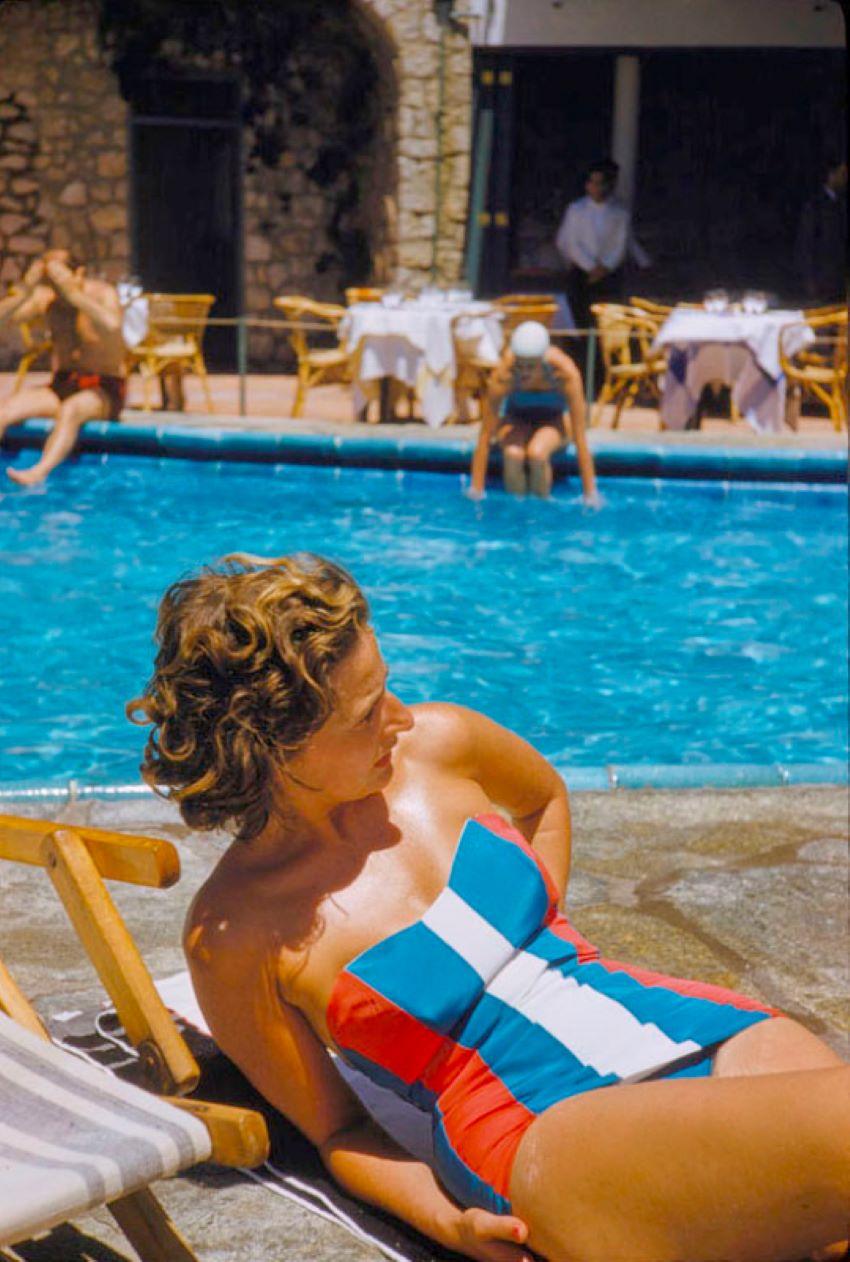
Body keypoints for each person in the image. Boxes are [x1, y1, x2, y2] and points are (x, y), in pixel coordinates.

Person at [129, 553, 849, 1262]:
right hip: (542, 1130)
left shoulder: (443, 744)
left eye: (388, 687)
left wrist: (552, 933)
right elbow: (341, 1132)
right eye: (365, 712)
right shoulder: (237, 934)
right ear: (271, 747)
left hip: (674, 1019)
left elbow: (544, 797)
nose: (401, 718)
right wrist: (449, 1226)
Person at [0, 248, 125, 486]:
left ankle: (38, 472)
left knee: (71, 411)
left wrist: (75, 295)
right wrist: (25, 292)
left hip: (103, 387)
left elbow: (112, 323)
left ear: (79, 272)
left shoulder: (102, 293)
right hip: (63, 383)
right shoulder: (46, 298)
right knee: (4, 410)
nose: (54, 283)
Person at [469, 320, 597, 501]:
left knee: (537, 453)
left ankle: (540, 513)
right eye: (519, 365)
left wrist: (590, 494)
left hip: (554, 421)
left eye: (530, 366)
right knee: (513, 454)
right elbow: (484, 436)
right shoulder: (504, 375)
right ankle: (516, 514)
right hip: (516, 420)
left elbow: (580, 439)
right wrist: (476, 490)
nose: (524, 373)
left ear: (542, 359)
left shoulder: (565, 374)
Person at [555, 158, 651, 336]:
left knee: (607, 321)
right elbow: (570, 242)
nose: (596, 188)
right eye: (593, 183)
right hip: (581, 273)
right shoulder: (576, 209)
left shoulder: (620, 213)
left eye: (601, 183)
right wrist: (590, 267)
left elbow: (620, 244)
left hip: (609, 274)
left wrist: (605, 267)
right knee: (581, 319)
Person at [795, 157, 848, 304]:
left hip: (840, 280)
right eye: (842, 174)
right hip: (823, 281)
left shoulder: (841, 203)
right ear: (832, 175)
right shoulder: (816, 205)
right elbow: (806, 244)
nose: (845, 179)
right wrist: (810, 280)